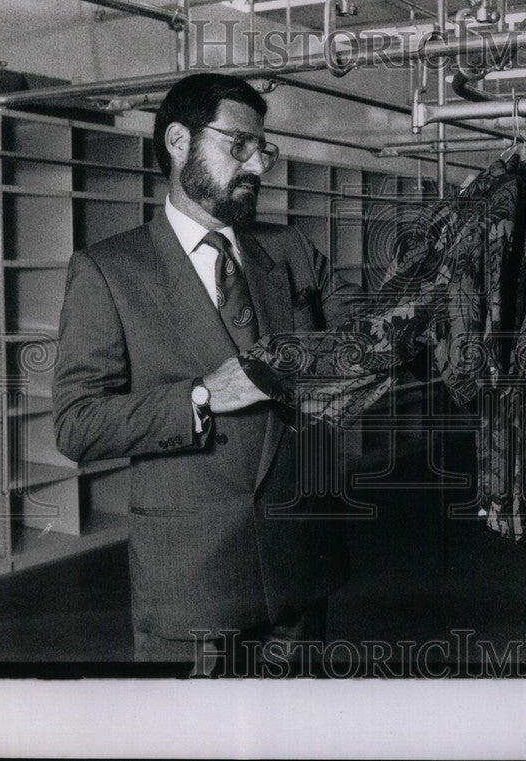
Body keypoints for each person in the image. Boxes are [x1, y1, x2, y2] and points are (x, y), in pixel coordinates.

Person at [52, 73, 355, 668]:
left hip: (298, 561)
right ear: (177, 141)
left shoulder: (292, 250)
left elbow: (363, 337)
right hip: (192, 583)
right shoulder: (108, 271)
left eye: (262, 149)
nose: (256, 167)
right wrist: (202, 396)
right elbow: (77, 425)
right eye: (238, 145)